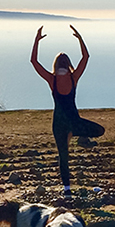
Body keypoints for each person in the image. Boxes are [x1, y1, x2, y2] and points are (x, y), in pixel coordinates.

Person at [30, 24, 105, 196]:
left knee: (63, 157)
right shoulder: (73, 77)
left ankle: (67, 190)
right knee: (99, 131)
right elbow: (86, 57)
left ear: (55, 64)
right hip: (74, 121)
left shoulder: (51, 79)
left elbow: (33, 61)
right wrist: (80, 38)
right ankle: (81, 137)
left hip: (58, 123)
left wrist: (36, 40)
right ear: (68, 64)